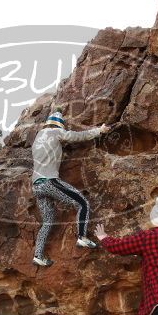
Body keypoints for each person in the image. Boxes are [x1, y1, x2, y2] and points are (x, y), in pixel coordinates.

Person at [31, 110, 111, 267]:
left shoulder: (37, 138)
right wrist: (99, 131)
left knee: (47, 220)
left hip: (36, 185)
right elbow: (75, 136)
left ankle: (38, 255)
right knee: (82, 203)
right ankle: (82, 236)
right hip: (49, 181)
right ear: (59, 124)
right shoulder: (56, 131)